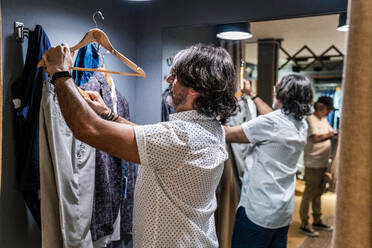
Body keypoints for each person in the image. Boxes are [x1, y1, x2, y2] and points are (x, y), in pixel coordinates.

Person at [42, 43, 238, 248]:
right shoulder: (211, 128)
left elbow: (88, 129)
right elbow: (150, 141)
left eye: (177, 76)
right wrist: (108, 114)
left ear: (196, 88)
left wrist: (60, 73)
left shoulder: (181, 137)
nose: (169, 79)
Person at [225, 75, 313, 248]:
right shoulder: (301, 124)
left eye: (277, 87)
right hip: (282, 211)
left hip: (258, 211)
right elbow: (274, 119)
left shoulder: (271, 123)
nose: (274, 90)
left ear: (283, 94)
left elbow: (227, 134)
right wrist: (253, 95)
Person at [299, 96, 337, 237]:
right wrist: (330, 135)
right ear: (321, 106)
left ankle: (317, 219)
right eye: (328, 109)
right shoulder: (310, 119)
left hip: (323, 163)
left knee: (318, 193)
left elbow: (332, 134)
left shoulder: (324, 120)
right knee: (309, 193)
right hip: (313, 163)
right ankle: (304, 222)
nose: (329, 112)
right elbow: (315, 138)